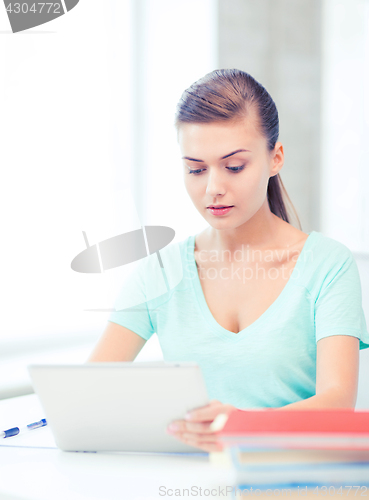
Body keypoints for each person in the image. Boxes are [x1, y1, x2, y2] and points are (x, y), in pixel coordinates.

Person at [87, 69, 369, 452]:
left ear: (275, 158)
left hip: (292, 480)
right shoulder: (161, 271)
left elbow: (337, 403)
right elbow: (89, 389)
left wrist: (243, 426)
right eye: (196, 169)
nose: (213, 188)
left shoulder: (327, 265)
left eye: (234, 166)